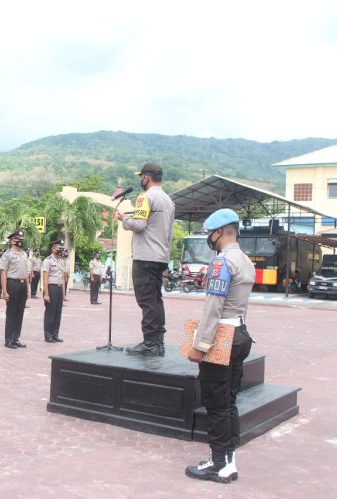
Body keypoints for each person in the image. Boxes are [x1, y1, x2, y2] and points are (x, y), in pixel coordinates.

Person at [185, 208, 255, 484]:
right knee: (229, 402)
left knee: (215, 403)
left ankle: (218, 465)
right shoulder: (245, 261)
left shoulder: (221, 263)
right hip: (239, 333)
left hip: (221, 337)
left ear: (221, 232)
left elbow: (213, 307)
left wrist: (200, 345)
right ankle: (228, 460)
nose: (208, 239)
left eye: (209, 234)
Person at [117, 162, 175, 356]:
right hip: (161, 256)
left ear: (146, 177)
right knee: (156, 299)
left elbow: (140, 224)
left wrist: (123, 220)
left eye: (141, 176)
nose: (141, 180)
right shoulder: (168, 199)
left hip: (145, 256)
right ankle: (158, 342)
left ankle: (149, 343)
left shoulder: (145, 197)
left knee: (146, 301)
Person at [1, 230, 30, 349]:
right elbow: (3, 273)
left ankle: (16, 338)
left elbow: (27, 273)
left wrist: (28, 289)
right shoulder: (7, 254)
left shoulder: (24, 254)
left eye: (21, 239)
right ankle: (8, 339)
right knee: (11, 312)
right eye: (17, 239)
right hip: (12, 284)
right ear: (12, 240)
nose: (20, 241)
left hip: (23, 284)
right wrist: (4, 291)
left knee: (20, 313)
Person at [42, 239, 68, 343]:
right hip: (51, 287)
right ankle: (48, 335)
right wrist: (46, 294)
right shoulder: (47, 260)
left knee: (58, 312)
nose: (60, 249)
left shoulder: (61, 261)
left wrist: (63, 293)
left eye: (61, 247)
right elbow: (45, 278)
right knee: (50, 313)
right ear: (53, 248)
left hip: (59, 288)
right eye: (58, 247)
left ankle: (55, 334)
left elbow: (62, 277)